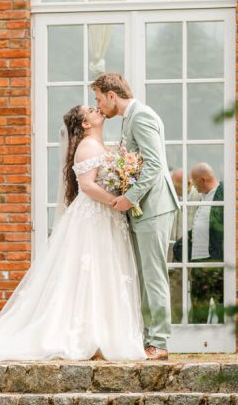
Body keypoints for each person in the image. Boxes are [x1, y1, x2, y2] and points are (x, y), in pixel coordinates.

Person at [0, 106, 146, 363]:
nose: (97, 109)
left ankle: (101, 333)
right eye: (91, 109)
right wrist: (116, 201)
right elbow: (86, 186)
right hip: (94, 216)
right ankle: (87, 334)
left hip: (105, 217)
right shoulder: (87, 146)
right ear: (85, 124)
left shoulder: (100, 145)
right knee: (87, 271)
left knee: (102, 271)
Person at [92, 72, 179, 360]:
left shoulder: (141, 116)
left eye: (99, 99)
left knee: (153, 275)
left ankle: (159, 342)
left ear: (112, 95)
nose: (99, 105)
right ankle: (147, 339)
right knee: (143, 275)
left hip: (154, 208)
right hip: (144, 209)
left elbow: (154, 165)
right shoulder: (130, 119)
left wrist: (130, 197)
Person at [173, 163, 224, 323]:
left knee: (221, 310)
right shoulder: (204, 196)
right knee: (198, 314)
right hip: (198, 265)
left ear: (203, 180)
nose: (193, 186)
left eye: (194, 182)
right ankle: (198, 344)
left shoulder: (221, 195)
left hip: (214, 264)